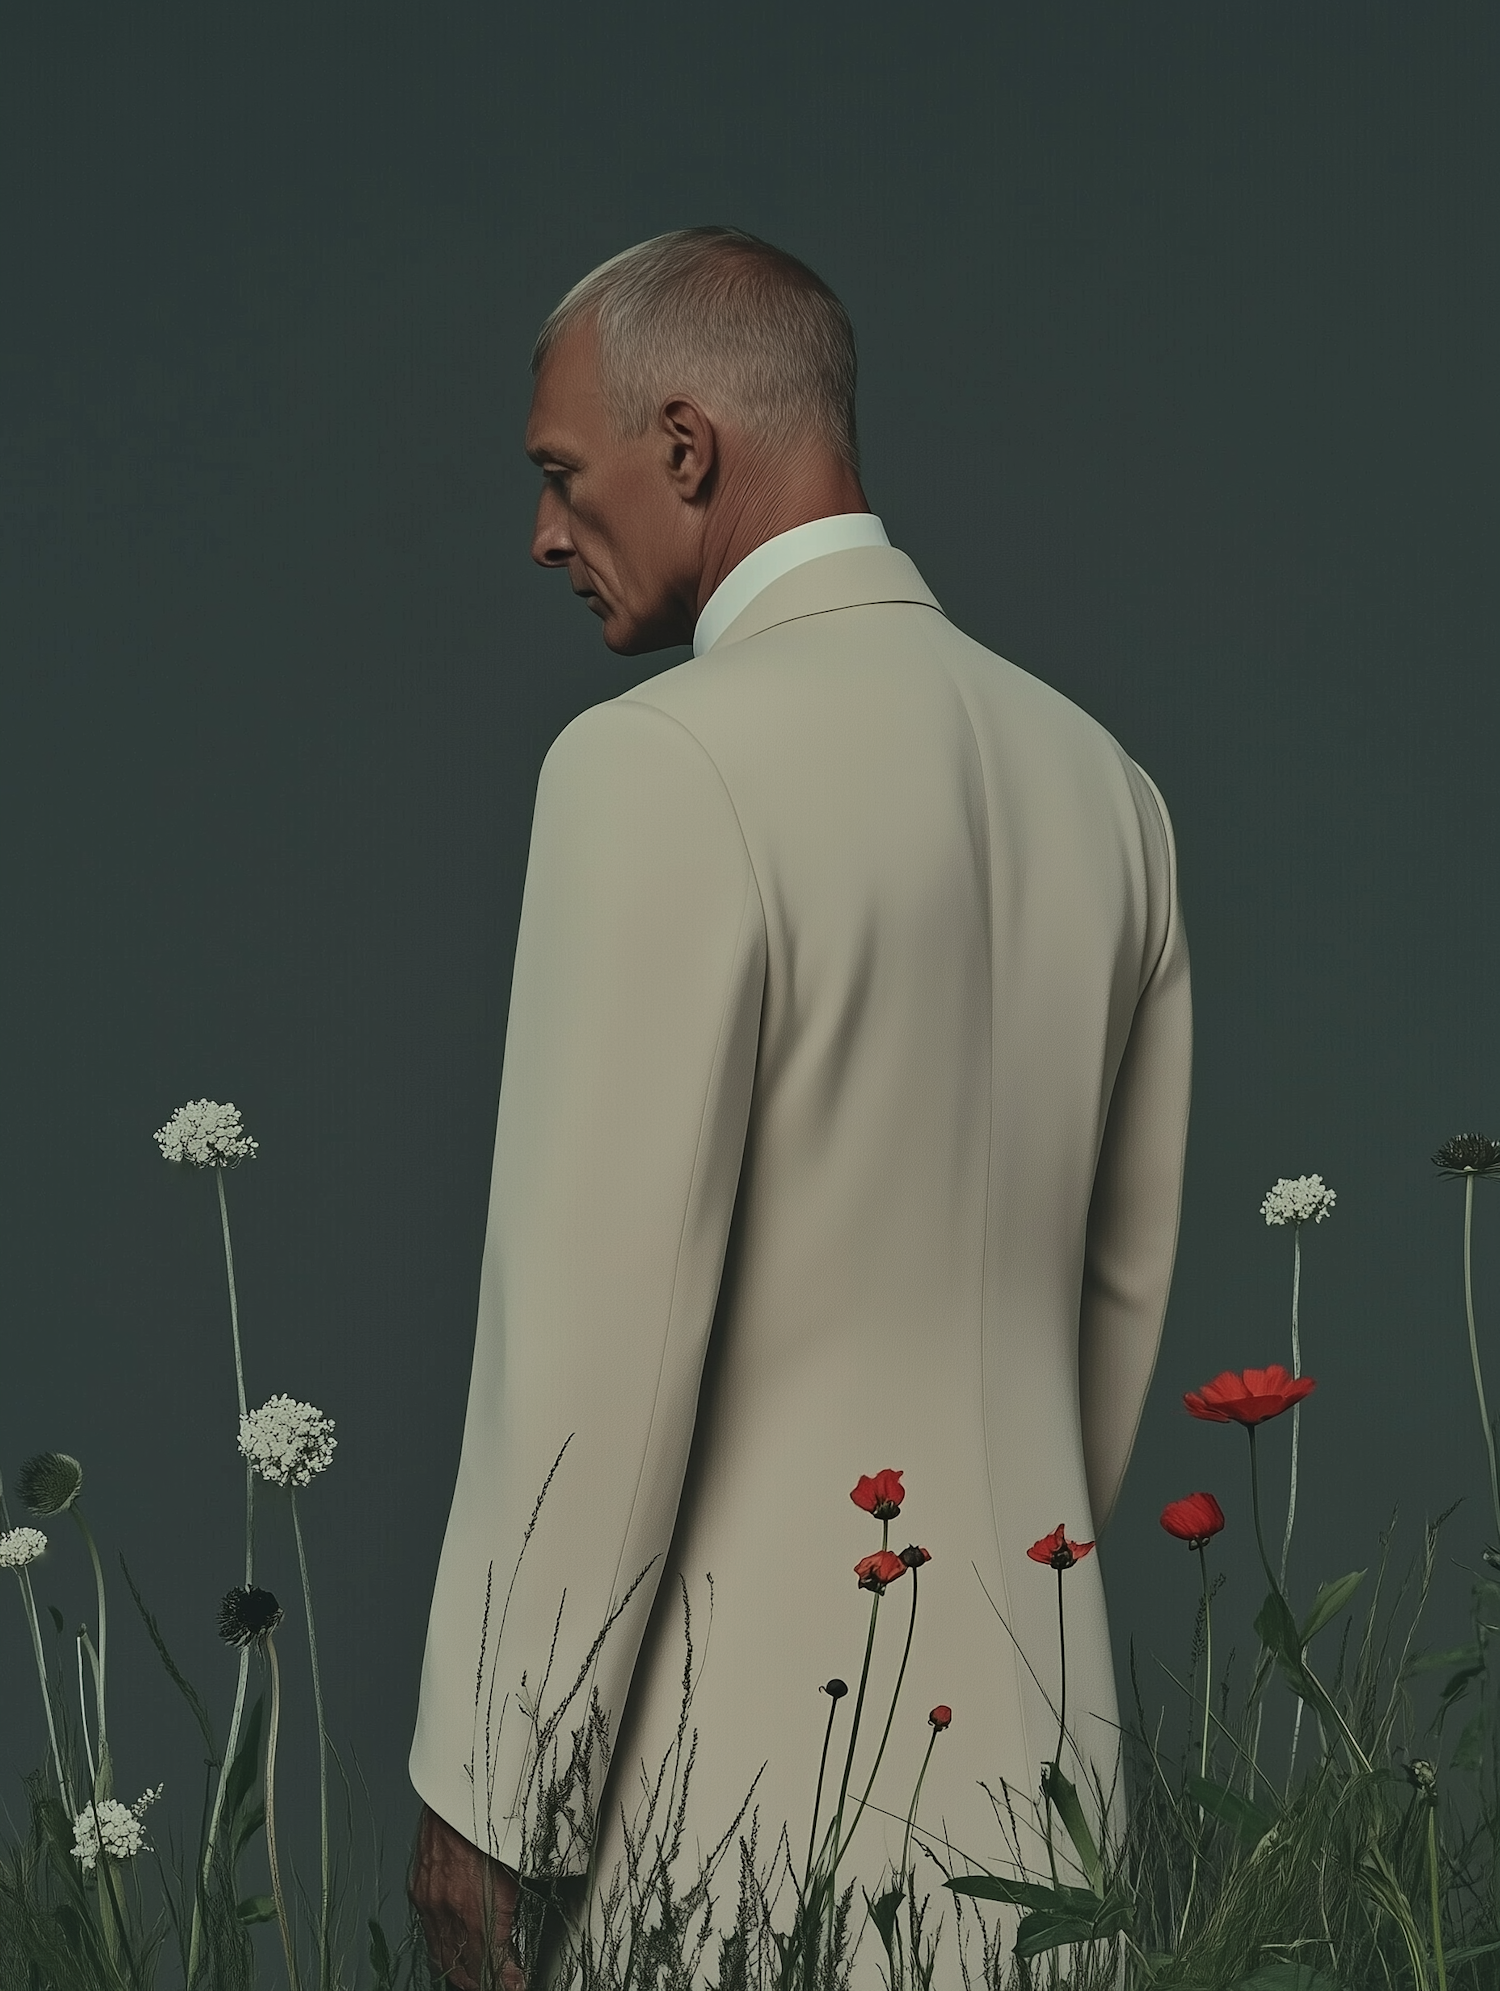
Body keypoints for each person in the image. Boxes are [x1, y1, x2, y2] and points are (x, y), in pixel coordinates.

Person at [407, 226, 1191, 1988]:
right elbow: (1117, 1308)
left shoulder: (652, 768)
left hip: (735, 1818)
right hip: (1053, 1811)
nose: (542, 531)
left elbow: (586, 1345)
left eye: (559, 474)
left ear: (686, 447)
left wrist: (487, 1792)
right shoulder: (1106, 786)